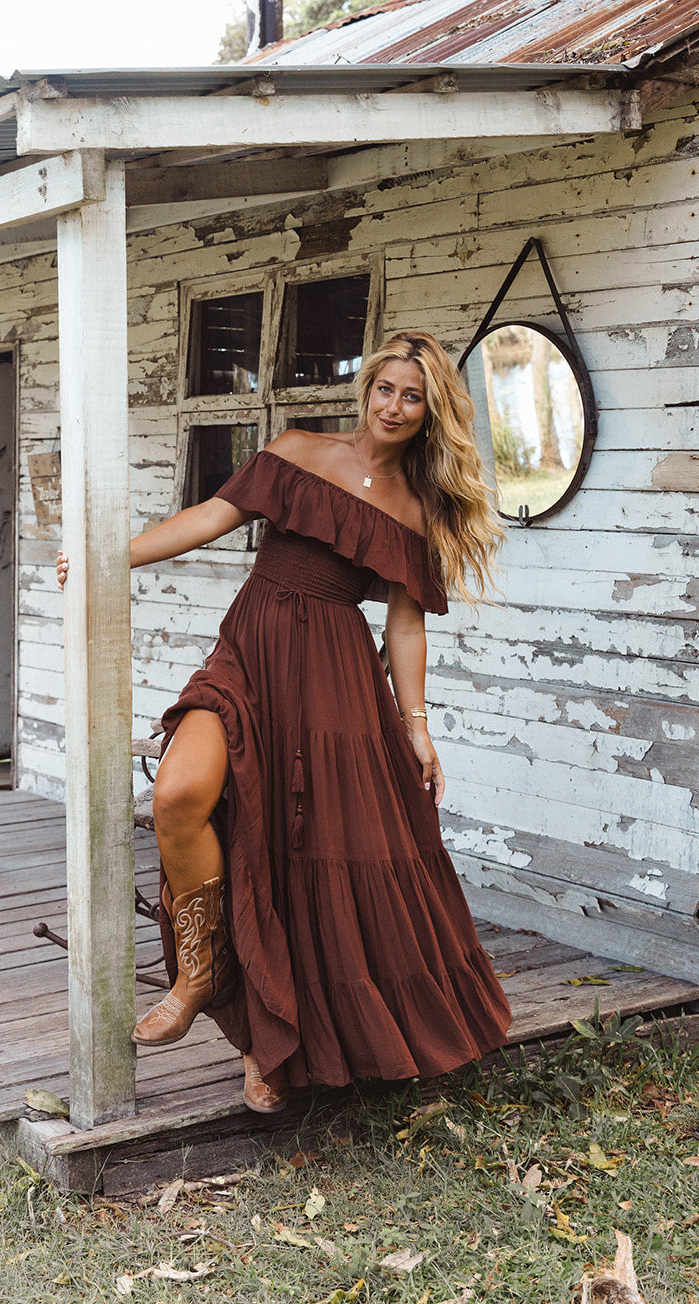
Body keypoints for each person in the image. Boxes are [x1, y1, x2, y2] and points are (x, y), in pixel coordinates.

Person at [57, 329, 511, 1114]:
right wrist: (109, 558)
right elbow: (209, 515)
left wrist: (416, 725)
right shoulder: (299, 450)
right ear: (366, 389)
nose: (393, 406)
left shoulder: (418, 506)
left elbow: (405, 625)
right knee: (178, 796)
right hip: (249, 653)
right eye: (385, 389)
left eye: (412, 397)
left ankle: (268, 1052)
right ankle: (201, 974)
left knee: (299, 862)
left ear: (431, 410)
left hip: (335, 687)